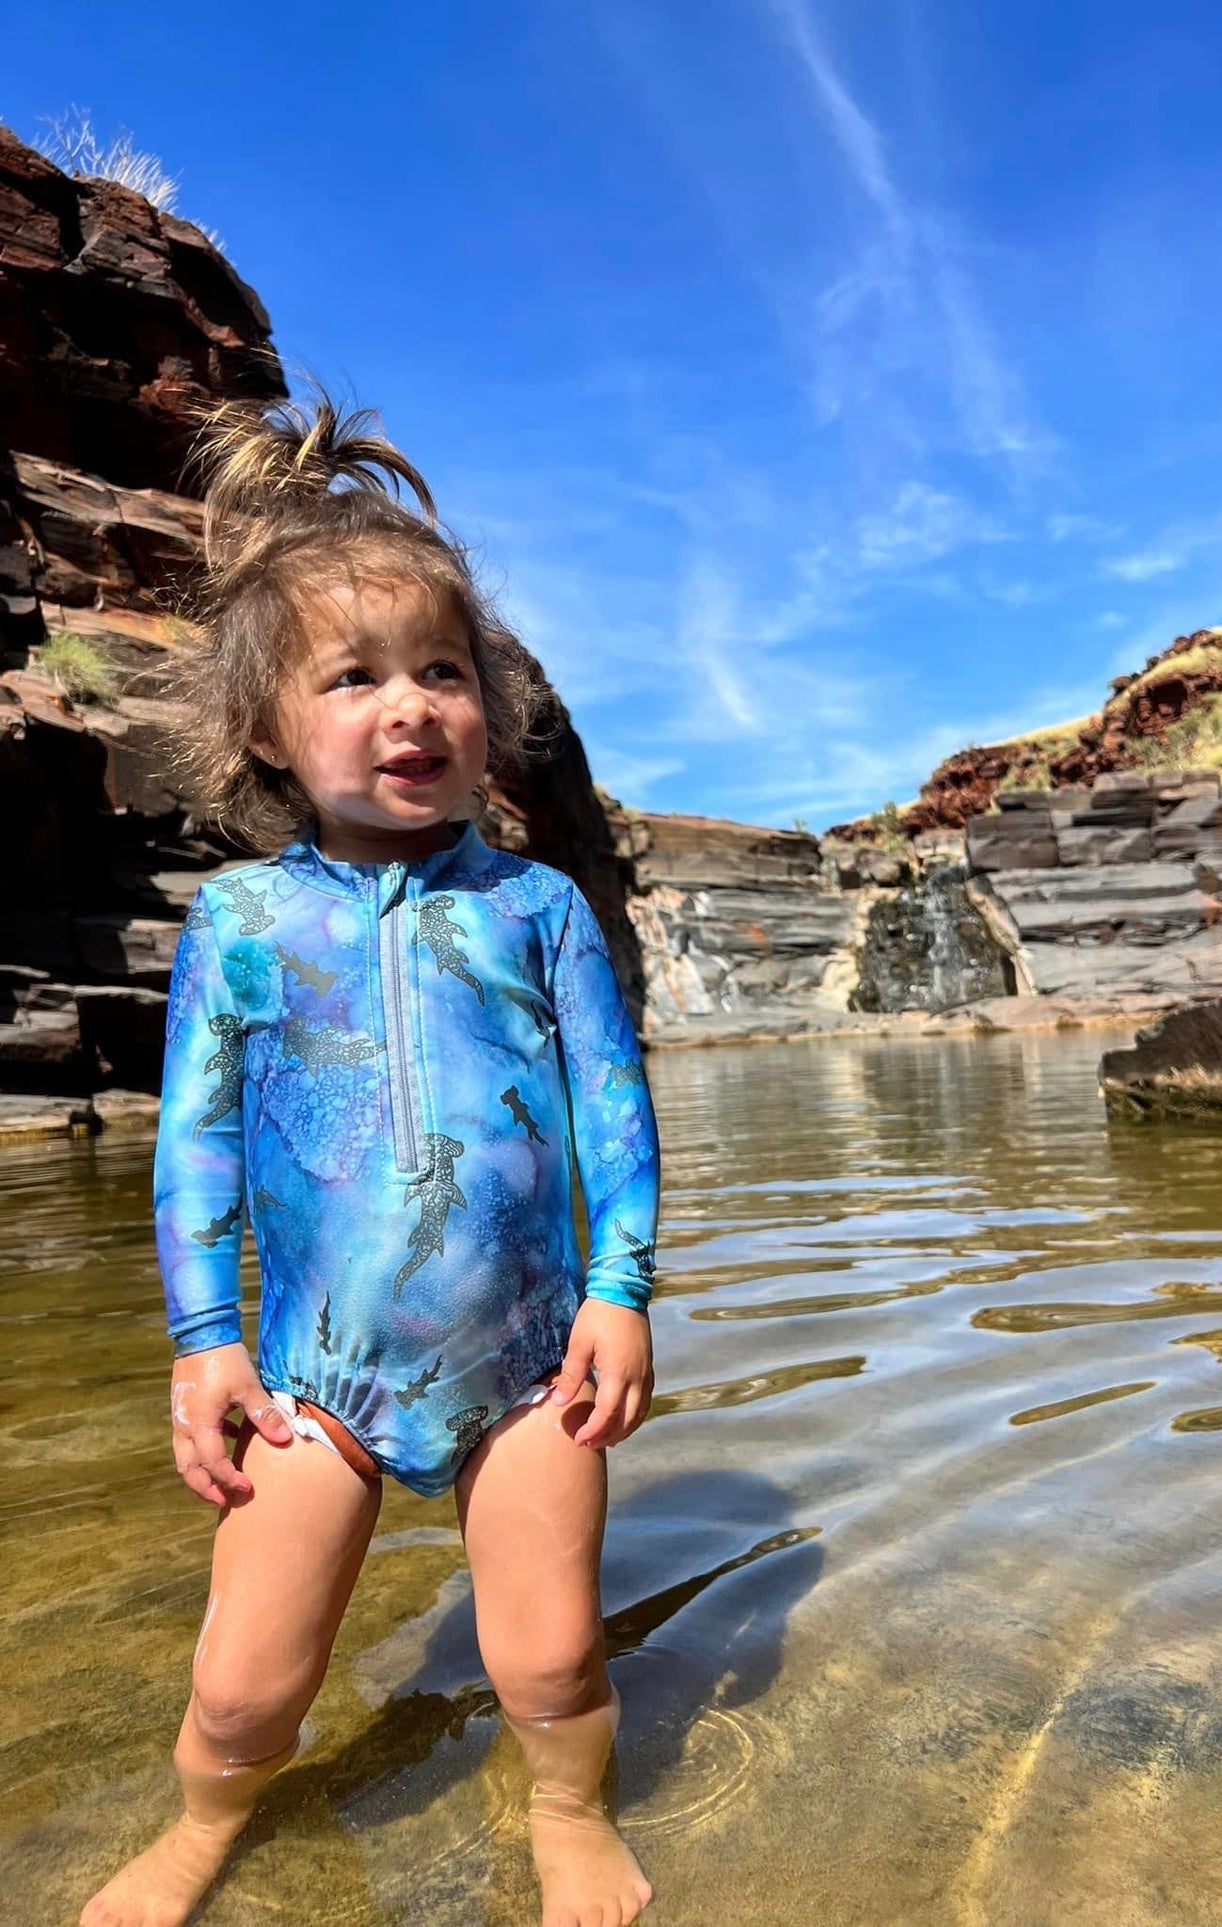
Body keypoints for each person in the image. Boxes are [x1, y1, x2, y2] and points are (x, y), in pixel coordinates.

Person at [81, 392, 661, 1927]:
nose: (411, 706)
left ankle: (565, 1810)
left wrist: (621, 1289)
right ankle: (207, 1824)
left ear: (490, 711)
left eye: (444, 673)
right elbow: (194, 1142)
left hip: (530, 1358)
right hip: (313, 1376)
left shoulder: (535, 909)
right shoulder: (242, 924)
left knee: (547, 1658)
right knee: (240, 1683)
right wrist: (204, 1343)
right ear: (268, 729)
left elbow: (610, 1103)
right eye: (356, 678)